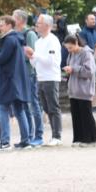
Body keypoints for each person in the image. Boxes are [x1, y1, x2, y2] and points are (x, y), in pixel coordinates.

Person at [0, 15, 36, 149]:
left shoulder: (9, 40)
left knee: (2, 108)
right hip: (17, 80)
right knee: (19, 110)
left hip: (9, 80)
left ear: (9, 25)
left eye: (2, 25)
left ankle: (5, 142)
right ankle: (26, 141)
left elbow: (2, 59)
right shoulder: (17, 39)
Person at [31, 14, 63, 146]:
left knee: (53, 107)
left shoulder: (53, 40)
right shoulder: (38, 42)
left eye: (39, 23)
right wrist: (32, 57)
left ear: (47, 26)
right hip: (41, 77)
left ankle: (57, 135)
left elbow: (51, 61)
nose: (36, 25)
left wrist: (35, 55)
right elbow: (36, 63)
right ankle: (53, 134)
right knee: (46, 107)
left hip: (51, 77)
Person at [62, 34, 96, 146]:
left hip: (84, 90)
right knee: (76, 116)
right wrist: (68, 71)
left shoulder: (86, 53)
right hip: (74, 90)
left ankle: (91, 139)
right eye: (67, 48)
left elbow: (89, 71)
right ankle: (78, 138)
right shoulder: (71, 54)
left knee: (86, 115)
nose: (69, 50)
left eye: (70, 47)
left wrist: (73, 69)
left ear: (76, 43)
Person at [14, 9, 43, 145]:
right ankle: (28, 136)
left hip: (29, 73)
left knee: (34, 104)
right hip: (19, 74)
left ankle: (38, 135)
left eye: (13, 17)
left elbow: (33, 54)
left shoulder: (29, 34)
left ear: (20, 20)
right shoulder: (14, 34)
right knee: (24, 106)